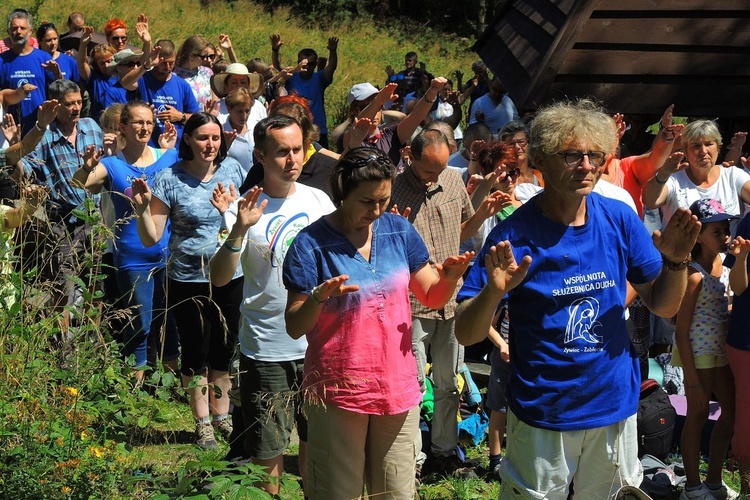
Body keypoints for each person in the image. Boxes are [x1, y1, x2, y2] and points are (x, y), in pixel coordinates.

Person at [455, 99, 700, 498]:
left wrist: (674, 262)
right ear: (540, 160)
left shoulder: (619, 217)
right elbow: (466, 332)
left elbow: (664, 305)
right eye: (572, 155)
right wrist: (494, 292)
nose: (587, 165)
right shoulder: (512, 235)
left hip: (614, 406)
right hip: (544, 411)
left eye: (595, 155)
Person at [282, 146, 473, 499]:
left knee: (396, 493)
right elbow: (295, 325)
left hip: (397, 387)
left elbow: (430, 296)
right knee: (339, 493)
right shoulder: (310, 244)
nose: (376, 211)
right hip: (338, 389)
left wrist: (449, 278)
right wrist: (318, 298)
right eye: (367, 201)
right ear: (342, 193)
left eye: (384, 200)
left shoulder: (399, 230)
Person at [209, 114, 334, 495]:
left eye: (298, 150)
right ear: (261, 156)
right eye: (282, 152)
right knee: (268, 451)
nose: (293, 159)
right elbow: (219, 276)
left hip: (320, 345)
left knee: (318, 448)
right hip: (267, 349)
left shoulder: (321, 202)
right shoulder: (244, 208)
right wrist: (239, 229)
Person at [388, 128, 503, 477]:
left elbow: (462, 230)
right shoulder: (394, 187)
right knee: (413, 384)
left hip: (450, 300)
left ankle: (444, 451)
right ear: (410, 156)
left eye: (439, 170)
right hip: (412, 301)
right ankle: (411, 457)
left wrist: (482, 214)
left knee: (448, 380)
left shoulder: (453, 181)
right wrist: (395, 226)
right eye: (427, 171)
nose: (434, 177)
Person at [133, 112, 245, 449]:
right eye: (202, 138)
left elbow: (243, 219)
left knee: (224, 348)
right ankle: (202, 423)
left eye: (214, 138)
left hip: (231, 274)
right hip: (188, 277)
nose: (209, 145)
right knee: (195, 350)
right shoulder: (170, 178)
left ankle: (222, 415)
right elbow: (152, 237)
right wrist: (140, 211)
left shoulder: (233, 172)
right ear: (188, 140)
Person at [72, 100, 179, 382]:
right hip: (131, 257)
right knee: (139, 325)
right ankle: (134, 393)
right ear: (123, 127)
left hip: (168, 253)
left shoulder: (169, 157)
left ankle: (171, 393)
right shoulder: (112, 164)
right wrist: (86, 167)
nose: (144, 128)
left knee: (169, 322)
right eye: (137, 122)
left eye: (148, 122)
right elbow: (80, 183)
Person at [21, 80, 104, 340]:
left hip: (94, 217)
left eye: (79, 102)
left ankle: (91, 344)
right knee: (64, 286)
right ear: (55, 106)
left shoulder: (91, 127)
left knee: (95, 284)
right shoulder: (44, 137)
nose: (76, 108)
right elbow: (23, 167)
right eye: (70, 104)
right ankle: (62, 349)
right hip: (62, 223)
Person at [670, 198, 737, 500]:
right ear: (697, 235)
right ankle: (692, 487)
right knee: (696, 417)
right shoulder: (693, 275)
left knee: (730, 412)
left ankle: (713, 481)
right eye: (716, 231)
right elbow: (681, 330)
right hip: (698, 356)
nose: (724, 235)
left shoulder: (724, 266)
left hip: (719, 353)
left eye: (725, 229)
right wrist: (692, 381)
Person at [643, 119, 750, 232]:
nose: (703, 151)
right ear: (685, 151)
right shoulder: (674, 179)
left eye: (709, 144)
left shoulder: (732, 175)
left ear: (718, 148)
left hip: (730, 249)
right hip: (682, 249)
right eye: (696, 146)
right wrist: (664, 173)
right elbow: (650, 201)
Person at [270, 33, 338, 148]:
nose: (306, 67)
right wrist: (275, 49)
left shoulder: (320, 79)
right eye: (303, 63)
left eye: (310, 64)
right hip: (295, 128)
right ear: (298, 62)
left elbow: (331, 67)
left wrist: (332, 51)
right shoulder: (291, 77)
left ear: (315, 64)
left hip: (318, 131)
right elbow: (279, 66)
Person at [137, 39, 201, 147]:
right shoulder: (142, 80)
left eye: (171, 63)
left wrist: (180, 116)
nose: (167, 67)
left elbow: (197, 118)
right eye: (163, 63)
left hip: (175, 148)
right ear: (156, 59)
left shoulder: (182, 85)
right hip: (148, 146)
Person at [0, 9, 54, 134]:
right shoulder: (2, 61)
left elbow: (58, 90)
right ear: (8, 32)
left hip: (41, 127)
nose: (18, 31)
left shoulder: (44, 58)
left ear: (30, 31)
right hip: (11, 130)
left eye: (22, 28)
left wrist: (57, 74)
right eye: (14, 28)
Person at [726, 217, 750, 497]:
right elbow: (739, 287)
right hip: (746, 341)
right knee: (747, 423)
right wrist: (742, 259)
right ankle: (746, 490)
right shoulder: (747, 226)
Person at [76, 26, 116, 121]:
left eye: (109, 61)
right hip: (99, 124)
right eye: (102, 63)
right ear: (96, 64)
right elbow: (82, 63)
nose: (106, 65)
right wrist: (83, 44)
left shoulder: (122, 75)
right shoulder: (94, 78)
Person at [174, 35, 215, 112]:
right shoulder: (174, 76)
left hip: (206, 120)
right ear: (191, 56)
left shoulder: (207, 72)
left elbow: (214, 99)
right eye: (203, 57)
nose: (206, 60)